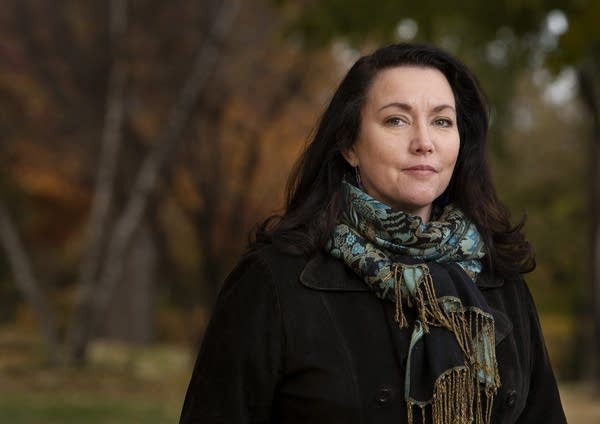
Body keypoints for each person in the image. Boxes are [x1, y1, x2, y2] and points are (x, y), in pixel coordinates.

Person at [179, 43, 567, 424]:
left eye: (442, 121)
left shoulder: (499, 279)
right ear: (349, 144)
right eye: (396, 120)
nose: (424, 143)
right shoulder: (275, 281)